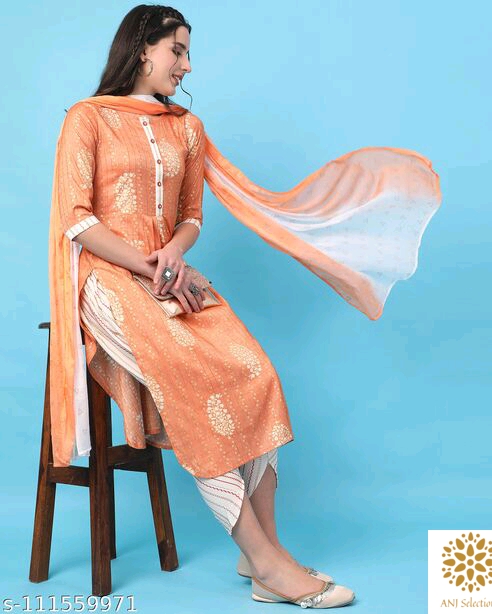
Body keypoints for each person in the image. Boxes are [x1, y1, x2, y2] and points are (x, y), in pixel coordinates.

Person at [47, 4, 441, 608]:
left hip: (169, 273)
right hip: (107, 279)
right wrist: (147, 265)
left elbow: (191, 217)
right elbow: (76, 220)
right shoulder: (88, 118)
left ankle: (266, 556)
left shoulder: (187, 127)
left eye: (187, 52)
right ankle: (265, 561)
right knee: (192, 382)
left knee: (255, 372)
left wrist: (173, 254)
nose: (186, 64)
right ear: (142, 48)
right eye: (177, 50)